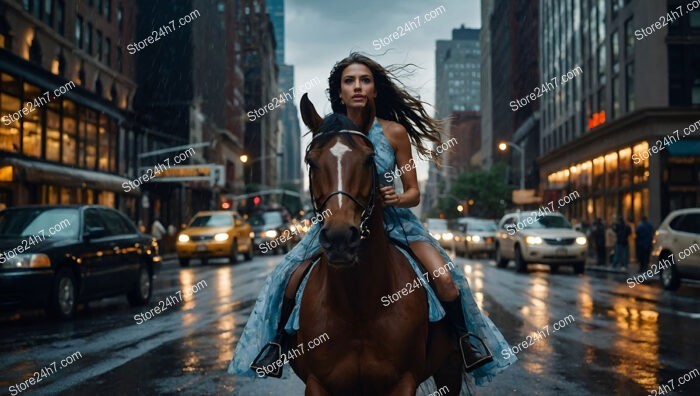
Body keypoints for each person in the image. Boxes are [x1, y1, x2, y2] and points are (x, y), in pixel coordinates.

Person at [229, 53, 515, 385]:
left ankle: (466, 342)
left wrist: (397, 196)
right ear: (340, 92)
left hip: (395, 224)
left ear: (375, 89)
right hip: (339, 220)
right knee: (285, 277)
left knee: (447, 280)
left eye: (365, 80)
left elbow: (413, 192)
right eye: (349, 81)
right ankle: (276, 344)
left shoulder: (394, 133)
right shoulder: (328, 131)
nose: (358, 87)